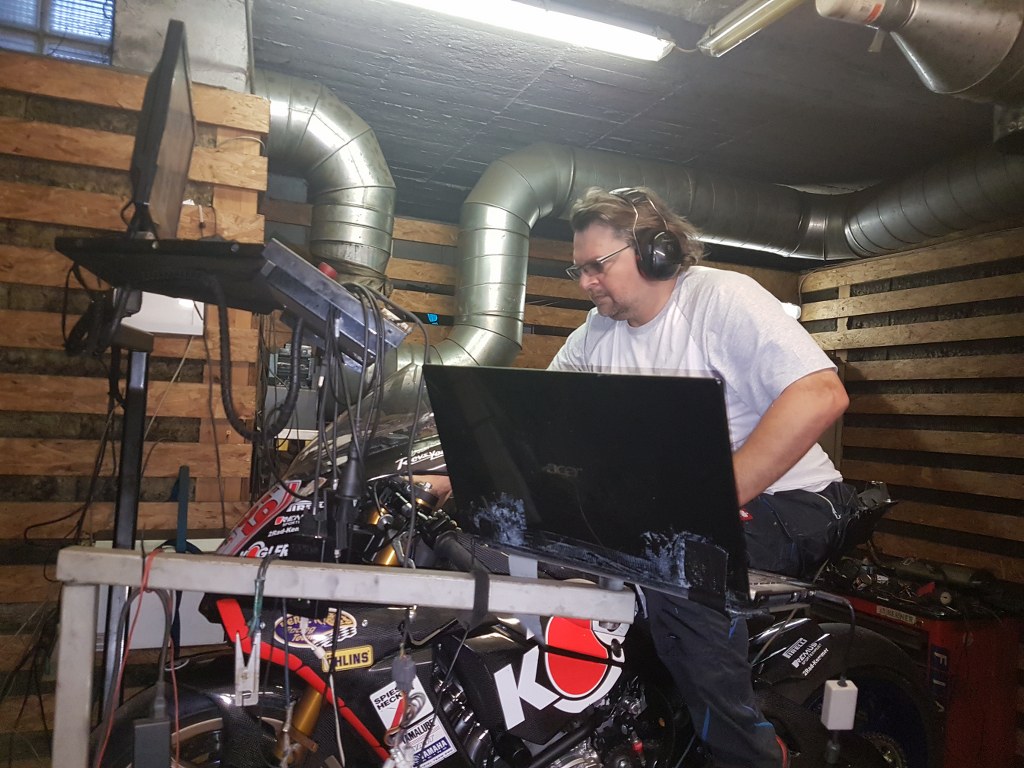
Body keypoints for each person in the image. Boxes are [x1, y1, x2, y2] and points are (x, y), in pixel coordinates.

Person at [547, 186, 856, 768]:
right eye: (578, 269)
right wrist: (448, 477)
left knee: (678, 567)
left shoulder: (720, 300)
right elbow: (541, 419)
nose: (586, 282)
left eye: (598, 266)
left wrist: (708, 501)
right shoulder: (596, 333)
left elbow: (820, 394)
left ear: (655, 252)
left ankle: (751, 758)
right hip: (675, 506)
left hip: (794, 498)